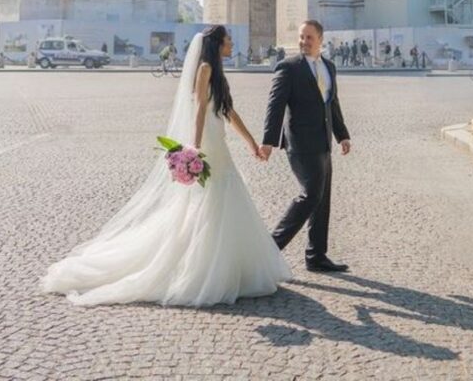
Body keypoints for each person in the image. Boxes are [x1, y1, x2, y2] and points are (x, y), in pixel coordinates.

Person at [41, 25, 290, 306]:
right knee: (210, 201)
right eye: (228, 39)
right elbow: (198, 110)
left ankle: (225, 264)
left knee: (222, 199)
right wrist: (194, 150)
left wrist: (250, 143)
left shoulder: (217, 70)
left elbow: (228, 110)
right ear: (218, 43)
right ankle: (205, 265)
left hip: (218, 141)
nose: (232, 43)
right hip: (208, 142)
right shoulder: (205, 68)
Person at [260, 20, 351, 273]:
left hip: (323, 141)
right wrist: (268, 141)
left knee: (322, 200)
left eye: (309, 37)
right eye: (301, 37)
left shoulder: (329, 67)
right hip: (300, 142)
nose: (304, 42)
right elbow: (275, 105)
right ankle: (269, 249)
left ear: (320, 39)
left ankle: (316, 256)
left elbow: (332, 103)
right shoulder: (288, 67)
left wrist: (342, 134)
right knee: (310, 195)